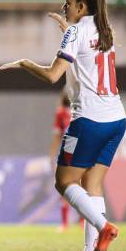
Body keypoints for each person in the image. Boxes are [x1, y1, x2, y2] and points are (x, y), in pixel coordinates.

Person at [0, 0, 126, 251]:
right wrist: (71, 31)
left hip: (90, 120)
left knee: (64, 181)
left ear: (81, 6)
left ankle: (105, 228)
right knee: (91, 184)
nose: (63, 7)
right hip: (116, 119)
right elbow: (87, 57)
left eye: (67, 3)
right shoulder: (106, 31)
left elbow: (53, 75)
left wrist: (24, 63)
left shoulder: (75, 33)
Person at [50, 90, 72, 232]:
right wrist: (52, 154)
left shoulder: (83, 108)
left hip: (83, 151)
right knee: (65, 186)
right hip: (67, 152)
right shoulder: (61, 113)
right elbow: (58, 135)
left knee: (84, 186)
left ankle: (83, 221)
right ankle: (64, 223)